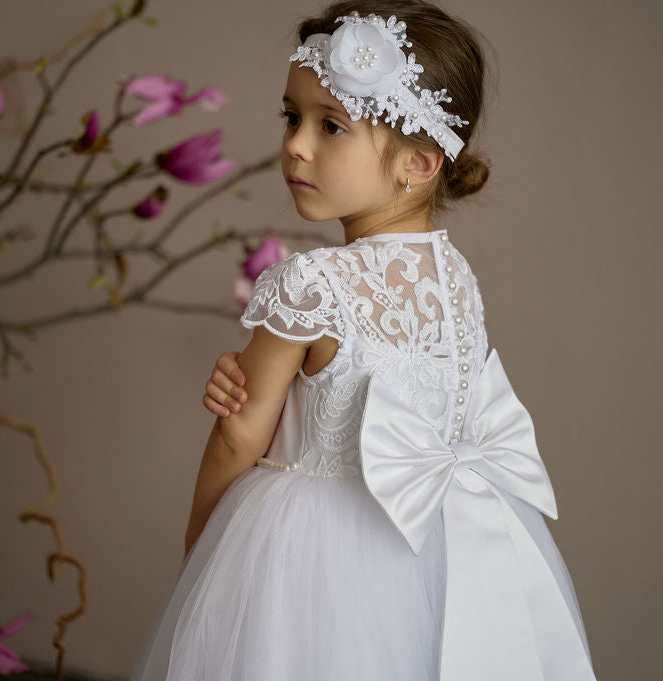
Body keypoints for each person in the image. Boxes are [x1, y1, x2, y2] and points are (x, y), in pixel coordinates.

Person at [129, 2, 598, 679]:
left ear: (419, 161)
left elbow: (239, 435)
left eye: (331, 126)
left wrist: (199, 540)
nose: (296, 144)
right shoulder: (457, 280)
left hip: (301, 560)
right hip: (423, 555)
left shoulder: (310, 282)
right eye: (291, 117)